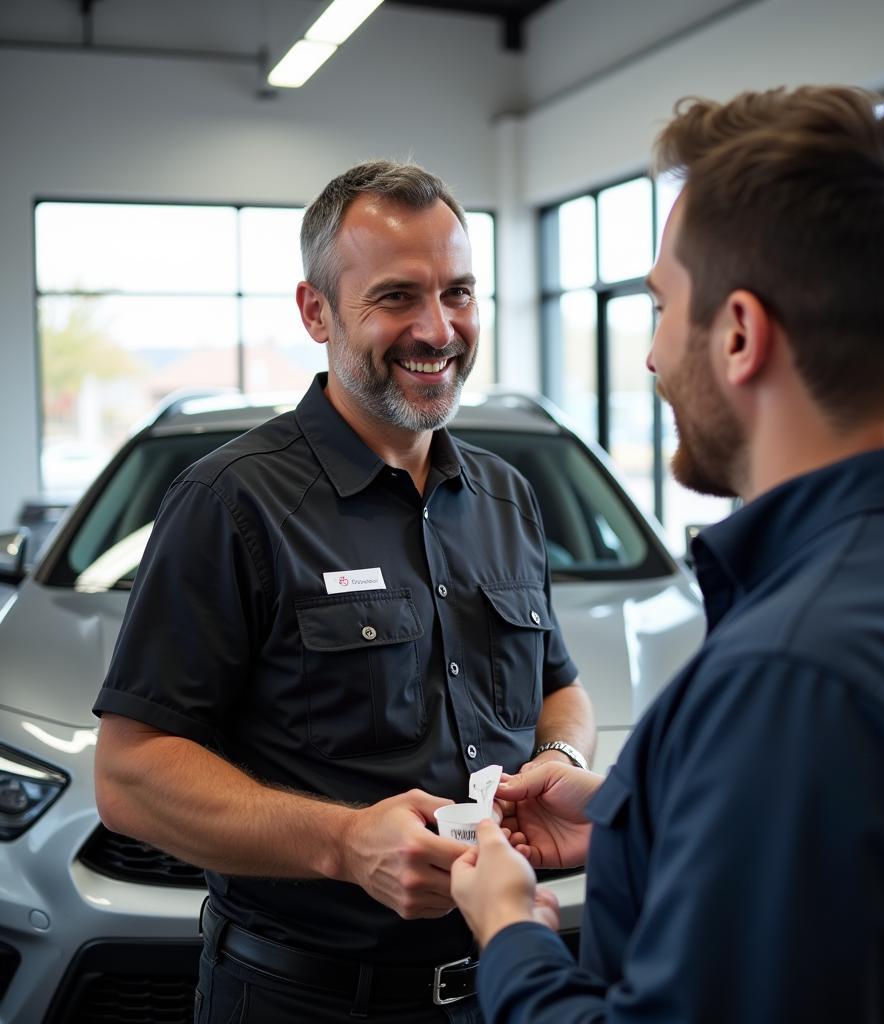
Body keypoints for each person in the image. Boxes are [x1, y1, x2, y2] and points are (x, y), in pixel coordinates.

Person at [449, 86, 884, 1022]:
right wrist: (640, 813)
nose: (653, 358)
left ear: (741, 335)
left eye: (662, 308)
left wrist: (512, 934)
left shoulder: (797, 675)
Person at [92, 160, 595, 1024]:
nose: (439, 329)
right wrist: (343, 844)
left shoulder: (507, 497)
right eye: (397, 296)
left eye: (460, 292)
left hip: (501, 982)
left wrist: (561, 761)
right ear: (315, 310)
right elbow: (131, 775)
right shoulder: (231, 503)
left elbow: (559, 686)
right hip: (305, 999)